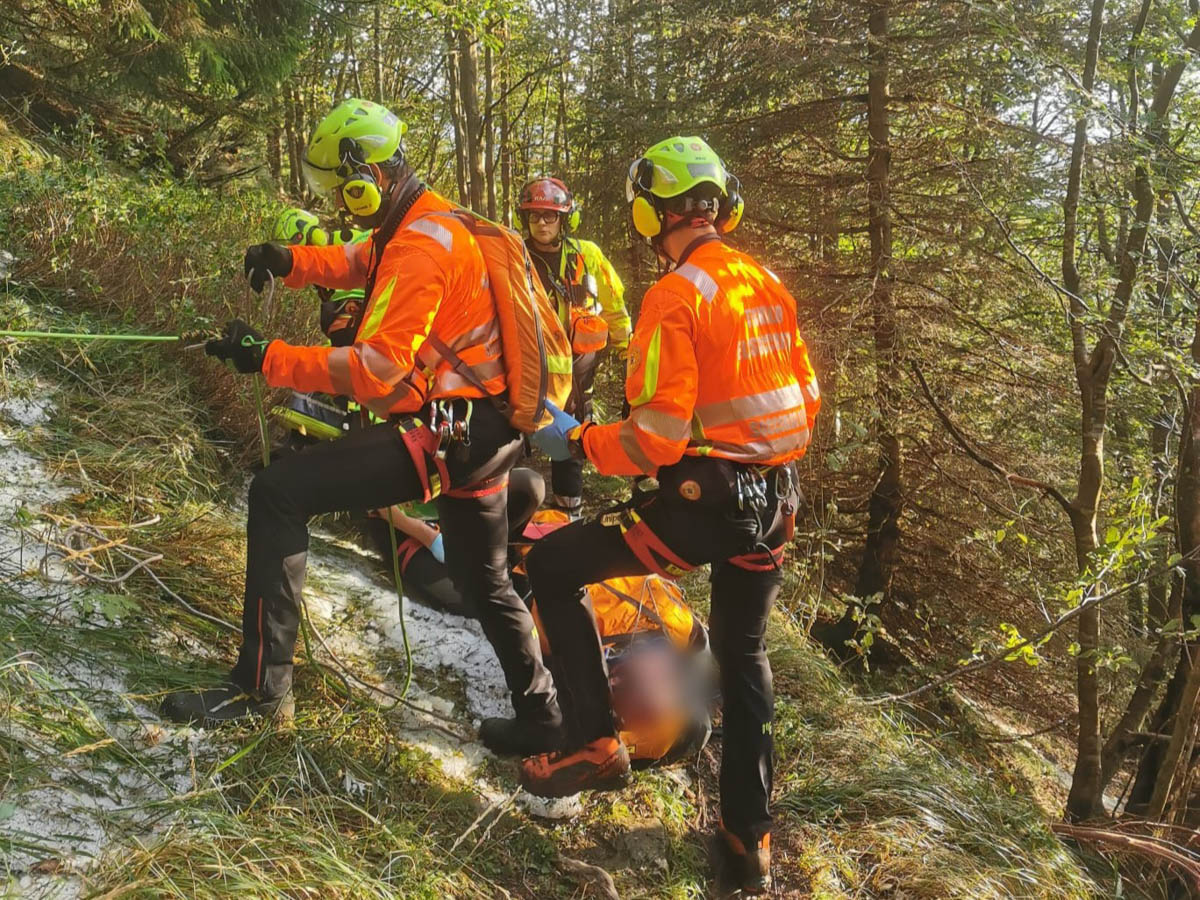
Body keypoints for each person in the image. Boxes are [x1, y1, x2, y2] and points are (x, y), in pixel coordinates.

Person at [161, 98, 565, 760]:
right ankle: (543, 714)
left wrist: (266, 358)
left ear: (365, 172)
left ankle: (260, 692)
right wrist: (287, 260)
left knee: (278, 493)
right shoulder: (422, 220)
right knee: (482, 573)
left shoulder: (419, 246)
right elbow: (354, 261)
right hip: (484, 429)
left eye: (336, 187)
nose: (339, 204)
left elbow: (377, 371)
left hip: (450, 428)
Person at [518, 136, 821, 895]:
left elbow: (653, 439)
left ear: (652, 212)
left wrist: (576, 438)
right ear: (723, 204)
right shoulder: (767, 284)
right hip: (774, 501)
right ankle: (748, 840)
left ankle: (593, 742)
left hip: (703, 503)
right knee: (746, 658)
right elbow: (805, 402)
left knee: (552, 566)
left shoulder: (676, 293)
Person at [518, 177, 630, 518]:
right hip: (530, 367)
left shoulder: (588, 256)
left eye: (549, 216)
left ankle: (568, 514)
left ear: (565, 219)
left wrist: (628, 352)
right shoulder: (514, 255)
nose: (541, 223)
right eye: (534, 216)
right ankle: (510, 509)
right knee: (514, 438)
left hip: (580, 369)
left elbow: (614, 305)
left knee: (572, 440)